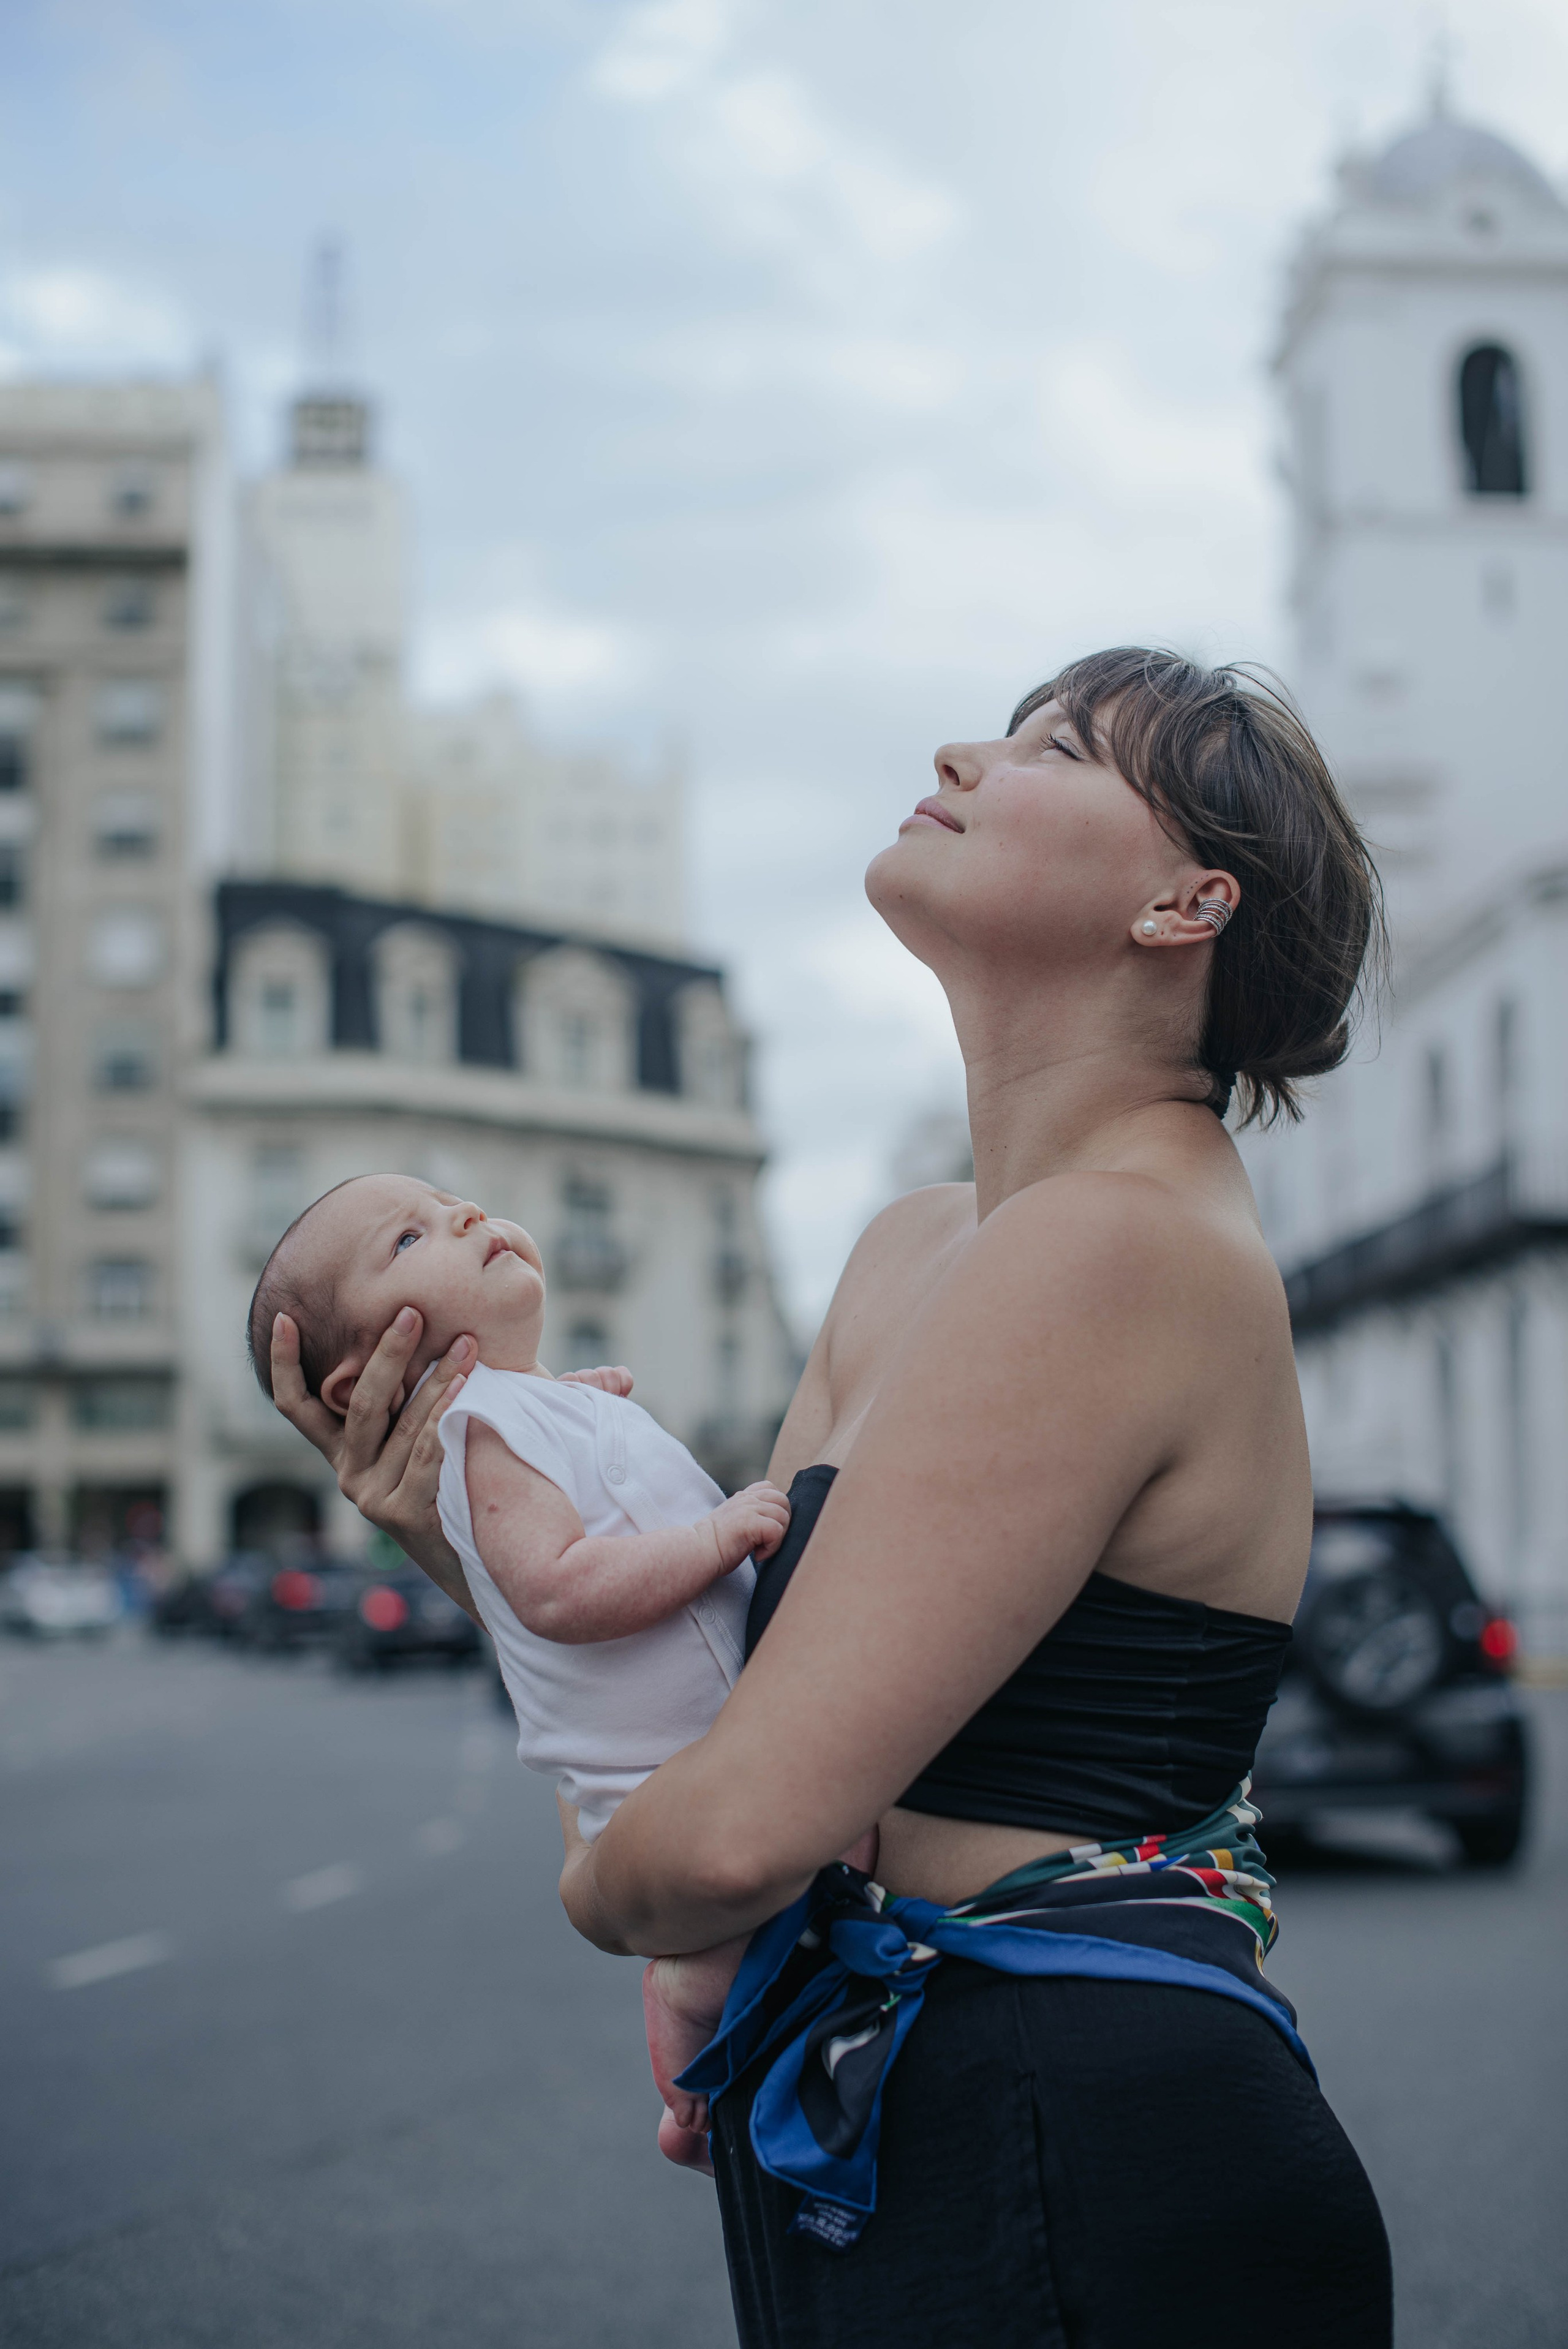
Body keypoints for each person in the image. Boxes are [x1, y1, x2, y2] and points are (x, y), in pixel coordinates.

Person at [271, 648, 1394, 2347]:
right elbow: (709, 1691)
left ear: (1187, 900)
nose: (964, 750)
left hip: (1079, 2134)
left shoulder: (1117, 1240)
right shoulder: (912, 1248)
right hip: (900, 2105)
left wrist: (616, 1901)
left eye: (1056, 749)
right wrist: (464, 1530)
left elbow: (731, 1828)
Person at [247, 1171, 796, 2154]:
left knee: (793, 1923)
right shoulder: (486, 1433)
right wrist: (717, 1538)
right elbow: (554, 1591)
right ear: (368, 1373)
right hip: (666, 1789)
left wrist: (573, 1407)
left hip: (723, 1759)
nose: (463, 1215)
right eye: (407, 1242)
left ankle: (716, 2061)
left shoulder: (528, 1409)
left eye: (451, 1203)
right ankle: (688, 2047)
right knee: (733, 1951)